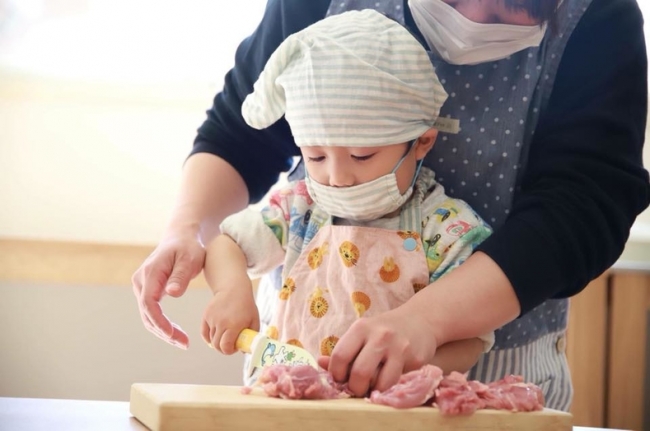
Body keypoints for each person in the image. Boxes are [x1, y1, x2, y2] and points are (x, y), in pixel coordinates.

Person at [131, 0, 650, 411]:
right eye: (316, 154)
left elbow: (580, 206)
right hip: (297, 366)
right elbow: (238, 136)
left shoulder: (599, 18)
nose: (471, 19)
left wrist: (430, 324)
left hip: (490, 378)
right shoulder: (298, 207)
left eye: (506, 9)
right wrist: (186, 232)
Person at [199, 10, 495, 388]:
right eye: (316, 157)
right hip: (288, 406)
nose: (336, 178)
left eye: (361, 156)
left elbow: (472, 338)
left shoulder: (443, 228)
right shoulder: (300, 207)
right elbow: (228, 244)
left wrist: (401, 369)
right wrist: (231, 291)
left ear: (422, 142)